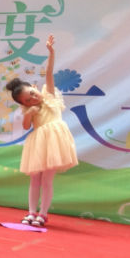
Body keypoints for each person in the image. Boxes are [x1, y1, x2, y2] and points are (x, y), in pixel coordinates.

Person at [5, 34, 77, 227]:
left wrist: (51, 53)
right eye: (27, 100)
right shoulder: (29, 109)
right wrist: (30, 112)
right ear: (23, 104)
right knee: (35, 179)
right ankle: (30, 212)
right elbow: (26, 126)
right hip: (38, 142)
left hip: (53, 141)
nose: (32, 99)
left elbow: (49, 73)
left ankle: (43, 214)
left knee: (47, 180)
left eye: (31, 93)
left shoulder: (49, 95)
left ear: (34, 87)